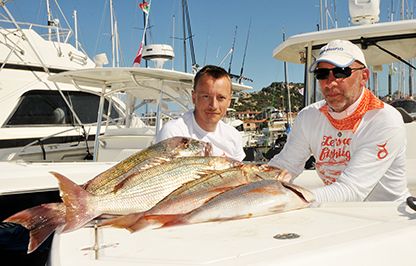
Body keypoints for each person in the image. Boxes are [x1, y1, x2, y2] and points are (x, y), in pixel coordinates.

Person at [269, 39, 410, 203]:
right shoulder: (308, 116)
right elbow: (286, 166)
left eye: (341, 72)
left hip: (389, 216)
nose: (330, 82)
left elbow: (352, 190)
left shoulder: (383, 119)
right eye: (322, 74)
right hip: (337, 213)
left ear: (363, 76)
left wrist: (285, 199)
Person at [155, 65, 246, 161]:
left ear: (229, 101)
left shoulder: (234, 136)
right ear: (194, 97)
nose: (213, 105)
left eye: (221, 98)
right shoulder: (173, 133)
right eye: (206, 96)